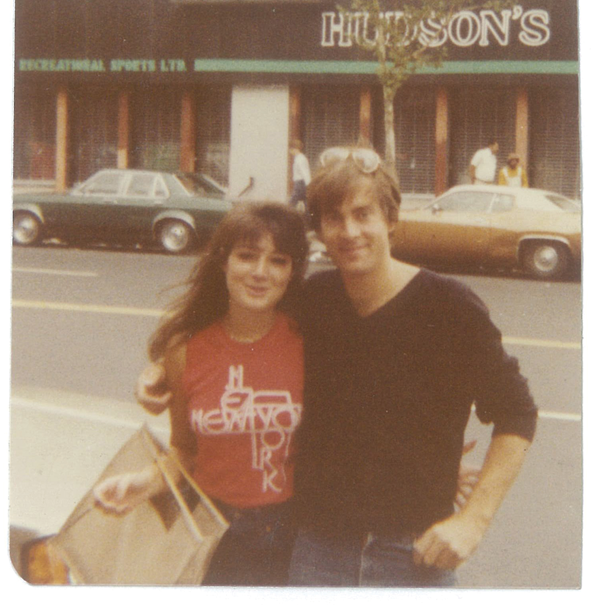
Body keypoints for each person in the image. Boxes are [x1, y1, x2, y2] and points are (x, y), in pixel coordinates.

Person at [136, 147, 536, 587]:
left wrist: (474, 520)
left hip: (414, 556)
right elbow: (240, 331)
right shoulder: (313, 301)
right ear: (320, 230)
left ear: (391, 219)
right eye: (334, 218)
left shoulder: (449, 306)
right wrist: (161, 370)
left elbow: (517, 411)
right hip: (316, 552)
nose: (350, 231)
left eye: (363, 214)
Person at [94, 202, 309, 586]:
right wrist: (142, 483)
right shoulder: (184, 350)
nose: (261, 273)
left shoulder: (310, 343)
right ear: (223, 261)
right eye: (247, 256)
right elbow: (185, 452)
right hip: (211, 530)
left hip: (294, 537)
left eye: (278, 261)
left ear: (292, 272)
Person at [288, 139, 311, 211]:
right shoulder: (298, 158)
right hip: (300, 183)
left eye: (291, 149)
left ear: (294, 149)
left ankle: (286, 214)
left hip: (300, 183)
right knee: (306, 201)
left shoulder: (300, 159)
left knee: (293, 201)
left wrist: (309, 184)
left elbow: (305, 172)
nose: (290, 151)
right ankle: (309, 217)